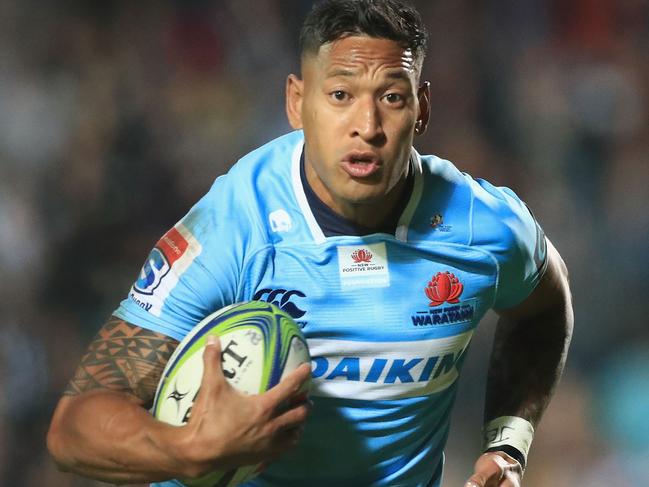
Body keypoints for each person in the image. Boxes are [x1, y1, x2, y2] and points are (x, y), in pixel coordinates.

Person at [47, 1, 574, 486]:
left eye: (391, 97)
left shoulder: (484, 225)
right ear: (297, 103)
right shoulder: (235, 226)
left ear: (422, 107)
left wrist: (508, 446)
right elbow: (75, 426)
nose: (366, 127)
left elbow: (546, 305)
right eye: (340, 95)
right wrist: (183, 448)